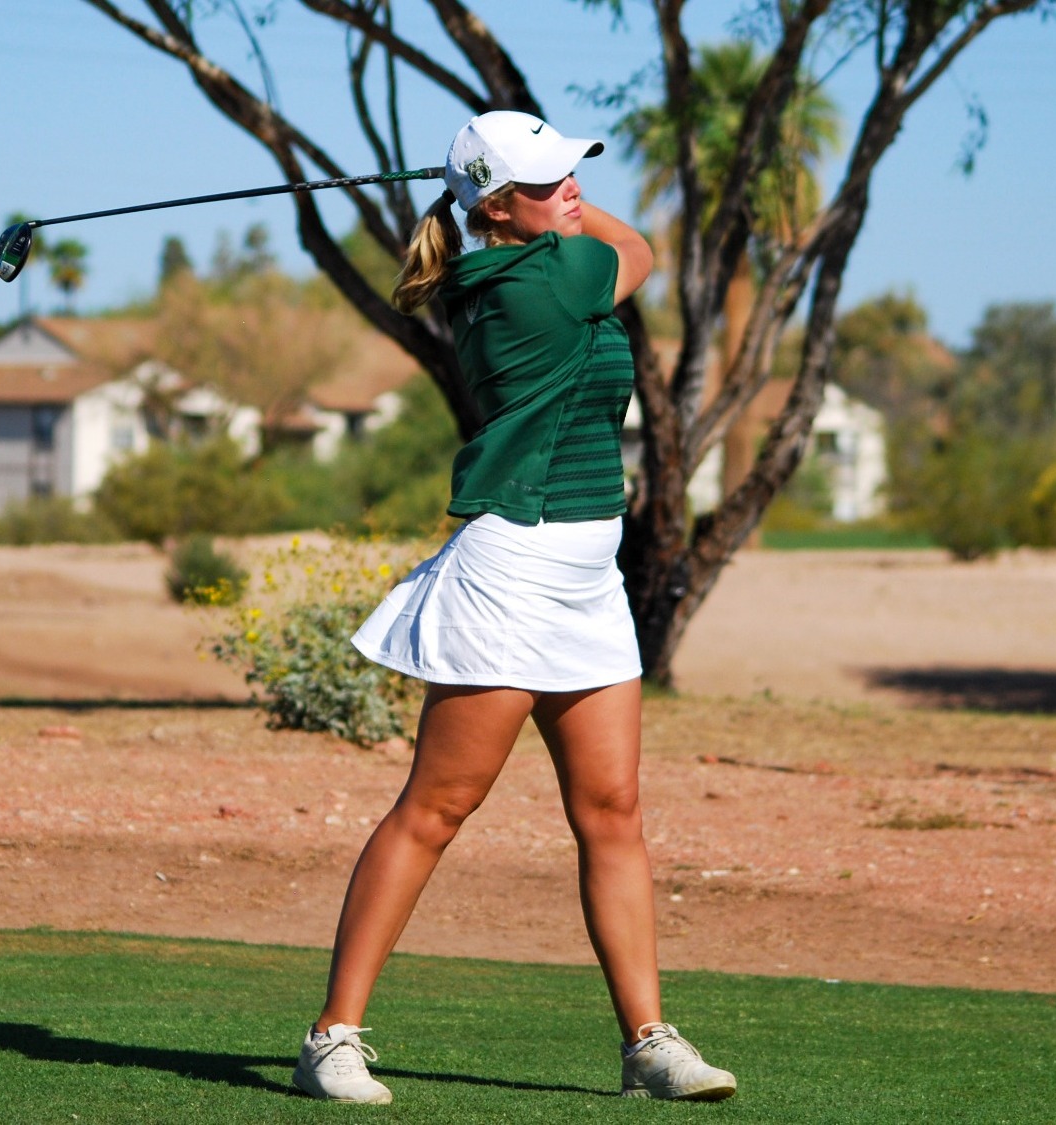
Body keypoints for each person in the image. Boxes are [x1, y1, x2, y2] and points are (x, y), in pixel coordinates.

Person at [289, 110, 737, 1105]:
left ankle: (648, 1043)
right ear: (496, 206)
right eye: (549, 181)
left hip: (584, 575)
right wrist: (548, 210)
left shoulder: (512, 258)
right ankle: (331, 1037)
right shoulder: (536, 279)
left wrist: (524, 193)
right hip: (512, 568)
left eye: (574, 171)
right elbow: (639, 248)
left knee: (612, 810)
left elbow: (596, 237)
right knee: (437, 809)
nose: (571, 189)